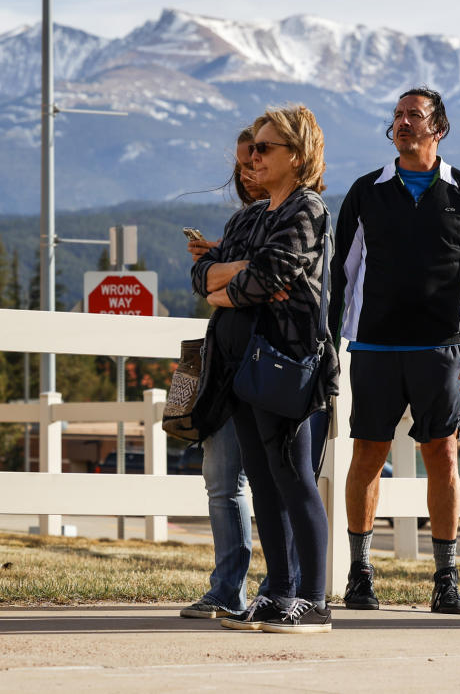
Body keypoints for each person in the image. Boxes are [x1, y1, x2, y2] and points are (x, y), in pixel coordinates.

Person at [329, 87, 460, 615]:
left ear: (438, 129)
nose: (403, 123)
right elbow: (342, 272)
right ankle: (360, 573)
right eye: (398, 115)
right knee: (367, 458)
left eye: (414, 116)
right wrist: (331, 344)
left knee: (443, 457)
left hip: (441, 350)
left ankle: (446, 580)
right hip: (375, 347)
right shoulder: (366, 191)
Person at [189, 105, 338, 634]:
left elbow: (270, 274)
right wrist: (235, 279)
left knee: (294, 476)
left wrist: (227, 287)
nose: (251, 155)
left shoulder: (307, 209)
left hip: (285, 361)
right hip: (242, 365)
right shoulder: (256, 214)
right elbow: (202, 274)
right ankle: (277, 592)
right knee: (265, 481)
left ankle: (314, 600)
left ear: (295, 157)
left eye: (264, 148)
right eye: (253, 147)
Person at [179, 126, 266, 619]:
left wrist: (223, 268)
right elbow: (203, 283)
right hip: (225, 364)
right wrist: (225, 263)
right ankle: (227, 587)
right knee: (221, 480)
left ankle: (279, 586)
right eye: (240, 162)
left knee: (274, 481)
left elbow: (270, 272)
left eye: (255, 157)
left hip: (269, 364)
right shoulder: (239, 223)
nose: (246, 169)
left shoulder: (298, 215)